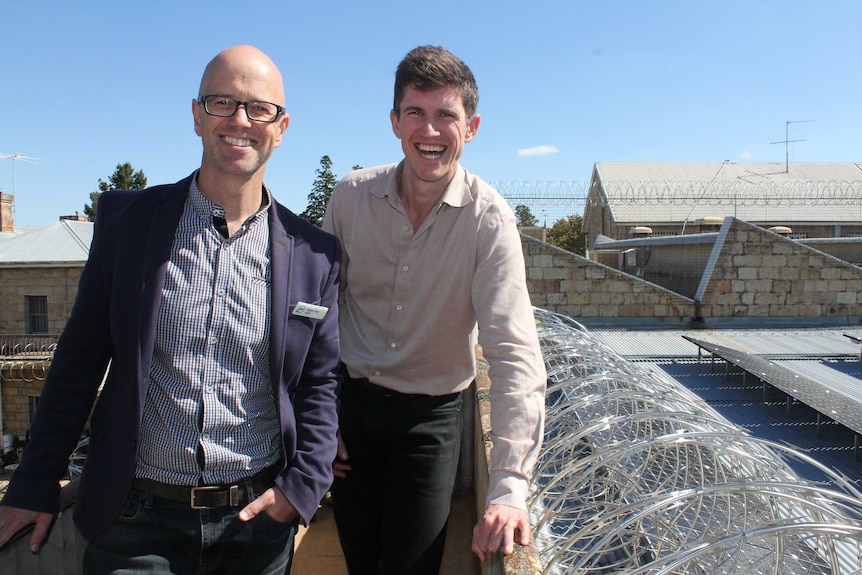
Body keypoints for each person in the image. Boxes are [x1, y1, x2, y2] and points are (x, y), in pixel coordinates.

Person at [0, 45, 341, 574]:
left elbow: (319, 384)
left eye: (259, 109)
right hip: (137, 521)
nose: (240, 121)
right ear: (197, 114)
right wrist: (33, 481)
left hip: (256, 528)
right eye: (222, 102)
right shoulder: (128, 222)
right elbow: (79, 359)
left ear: (282, 125)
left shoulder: (315, 255)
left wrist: (303, 487)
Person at [322, 45, 546, 574]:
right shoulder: (350, 199)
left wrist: (510, 486)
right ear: (395, 121)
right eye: (416, 113)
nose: (430, 130)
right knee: (360, 557)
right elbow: (315, 315)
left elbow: (513, 349)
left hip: (431, 420)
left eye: (446, 114)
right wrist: (316, 415)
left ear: (471, 127)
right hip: (348, 412)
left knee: (413, 565)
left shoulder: (489, 220)